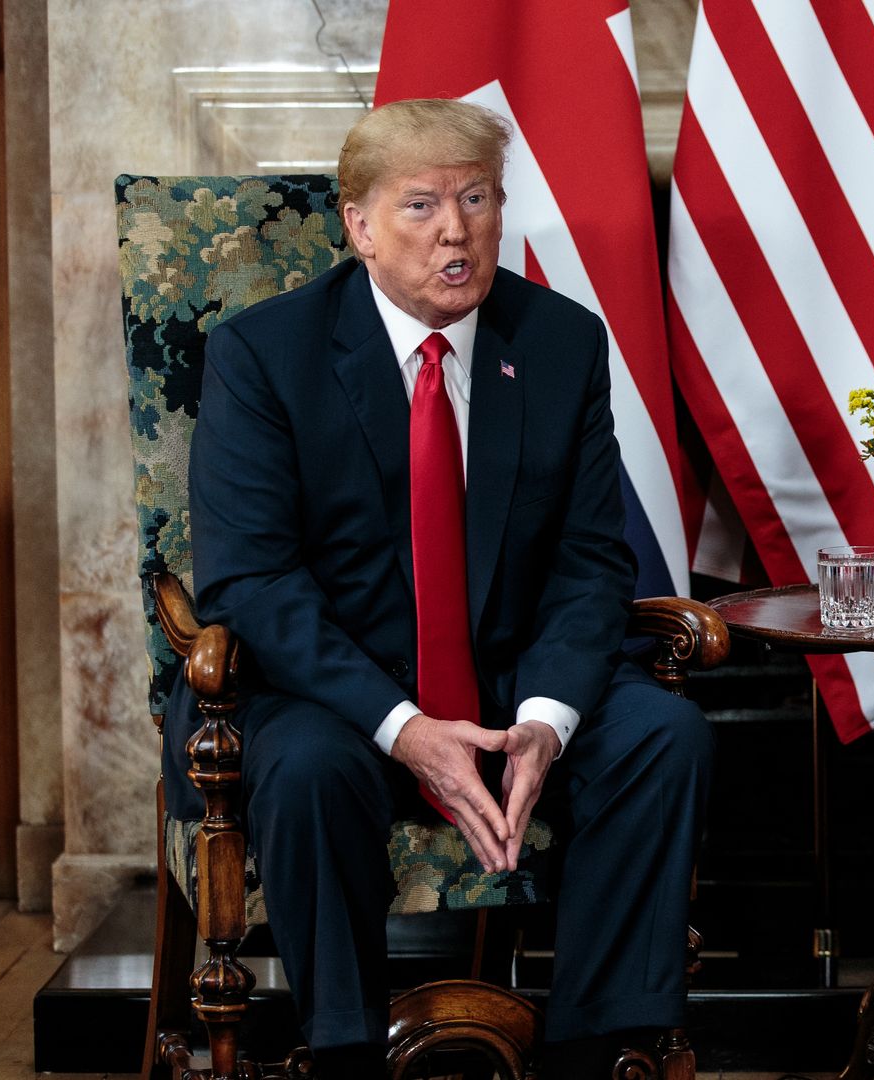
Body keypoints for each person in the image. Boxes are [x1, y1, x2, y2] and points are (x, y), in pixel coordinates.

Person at [165, 97, 713, 1079]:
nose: (455, 231)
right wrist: (405, 727)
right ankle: (344, 1053)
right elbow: (253, 583)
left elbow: (591, 560)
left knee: (660, 738)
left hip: (505, 679)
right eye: (420, 205)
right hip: (330, 690)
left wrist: (545, 720)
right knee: (308, 769)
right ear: (360, 226)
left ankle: (591, 1052)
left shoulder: (560, 342)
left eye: (477, 199)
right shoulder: (267, 354)